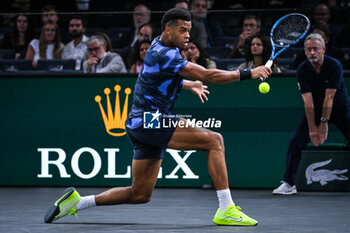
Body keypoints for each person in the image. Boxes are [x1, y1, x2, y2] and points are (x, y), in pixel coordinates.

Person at [44, 8, 271, 226]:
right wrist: (250, 72)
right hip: (150, 120)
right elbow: (207, 74)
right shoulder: (166, 53)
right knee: (215, 141)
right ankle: (226, 209)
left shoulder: (156, 45)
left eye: (189, 30)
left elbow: (152, 78)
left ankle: (78, 202)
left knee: (140, 194)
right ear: (168, 30)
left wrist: (186, 83)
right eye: (182, 30)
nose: (187, 35)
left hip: (138, 123)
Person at [273, 33, 350, 195]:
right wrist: (312, 128)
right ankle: (289, 183)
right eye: (309, 50)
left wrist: (323, 124)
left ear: (323, 50)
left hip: (340, 109)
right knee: (295, 142)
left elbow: (329, 98)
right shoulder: (303, 69)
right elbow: (308, 102)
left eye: (316, 49)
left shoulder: (334, 65)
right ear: (305, 52)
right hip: (314, 110)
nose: (312, 52)